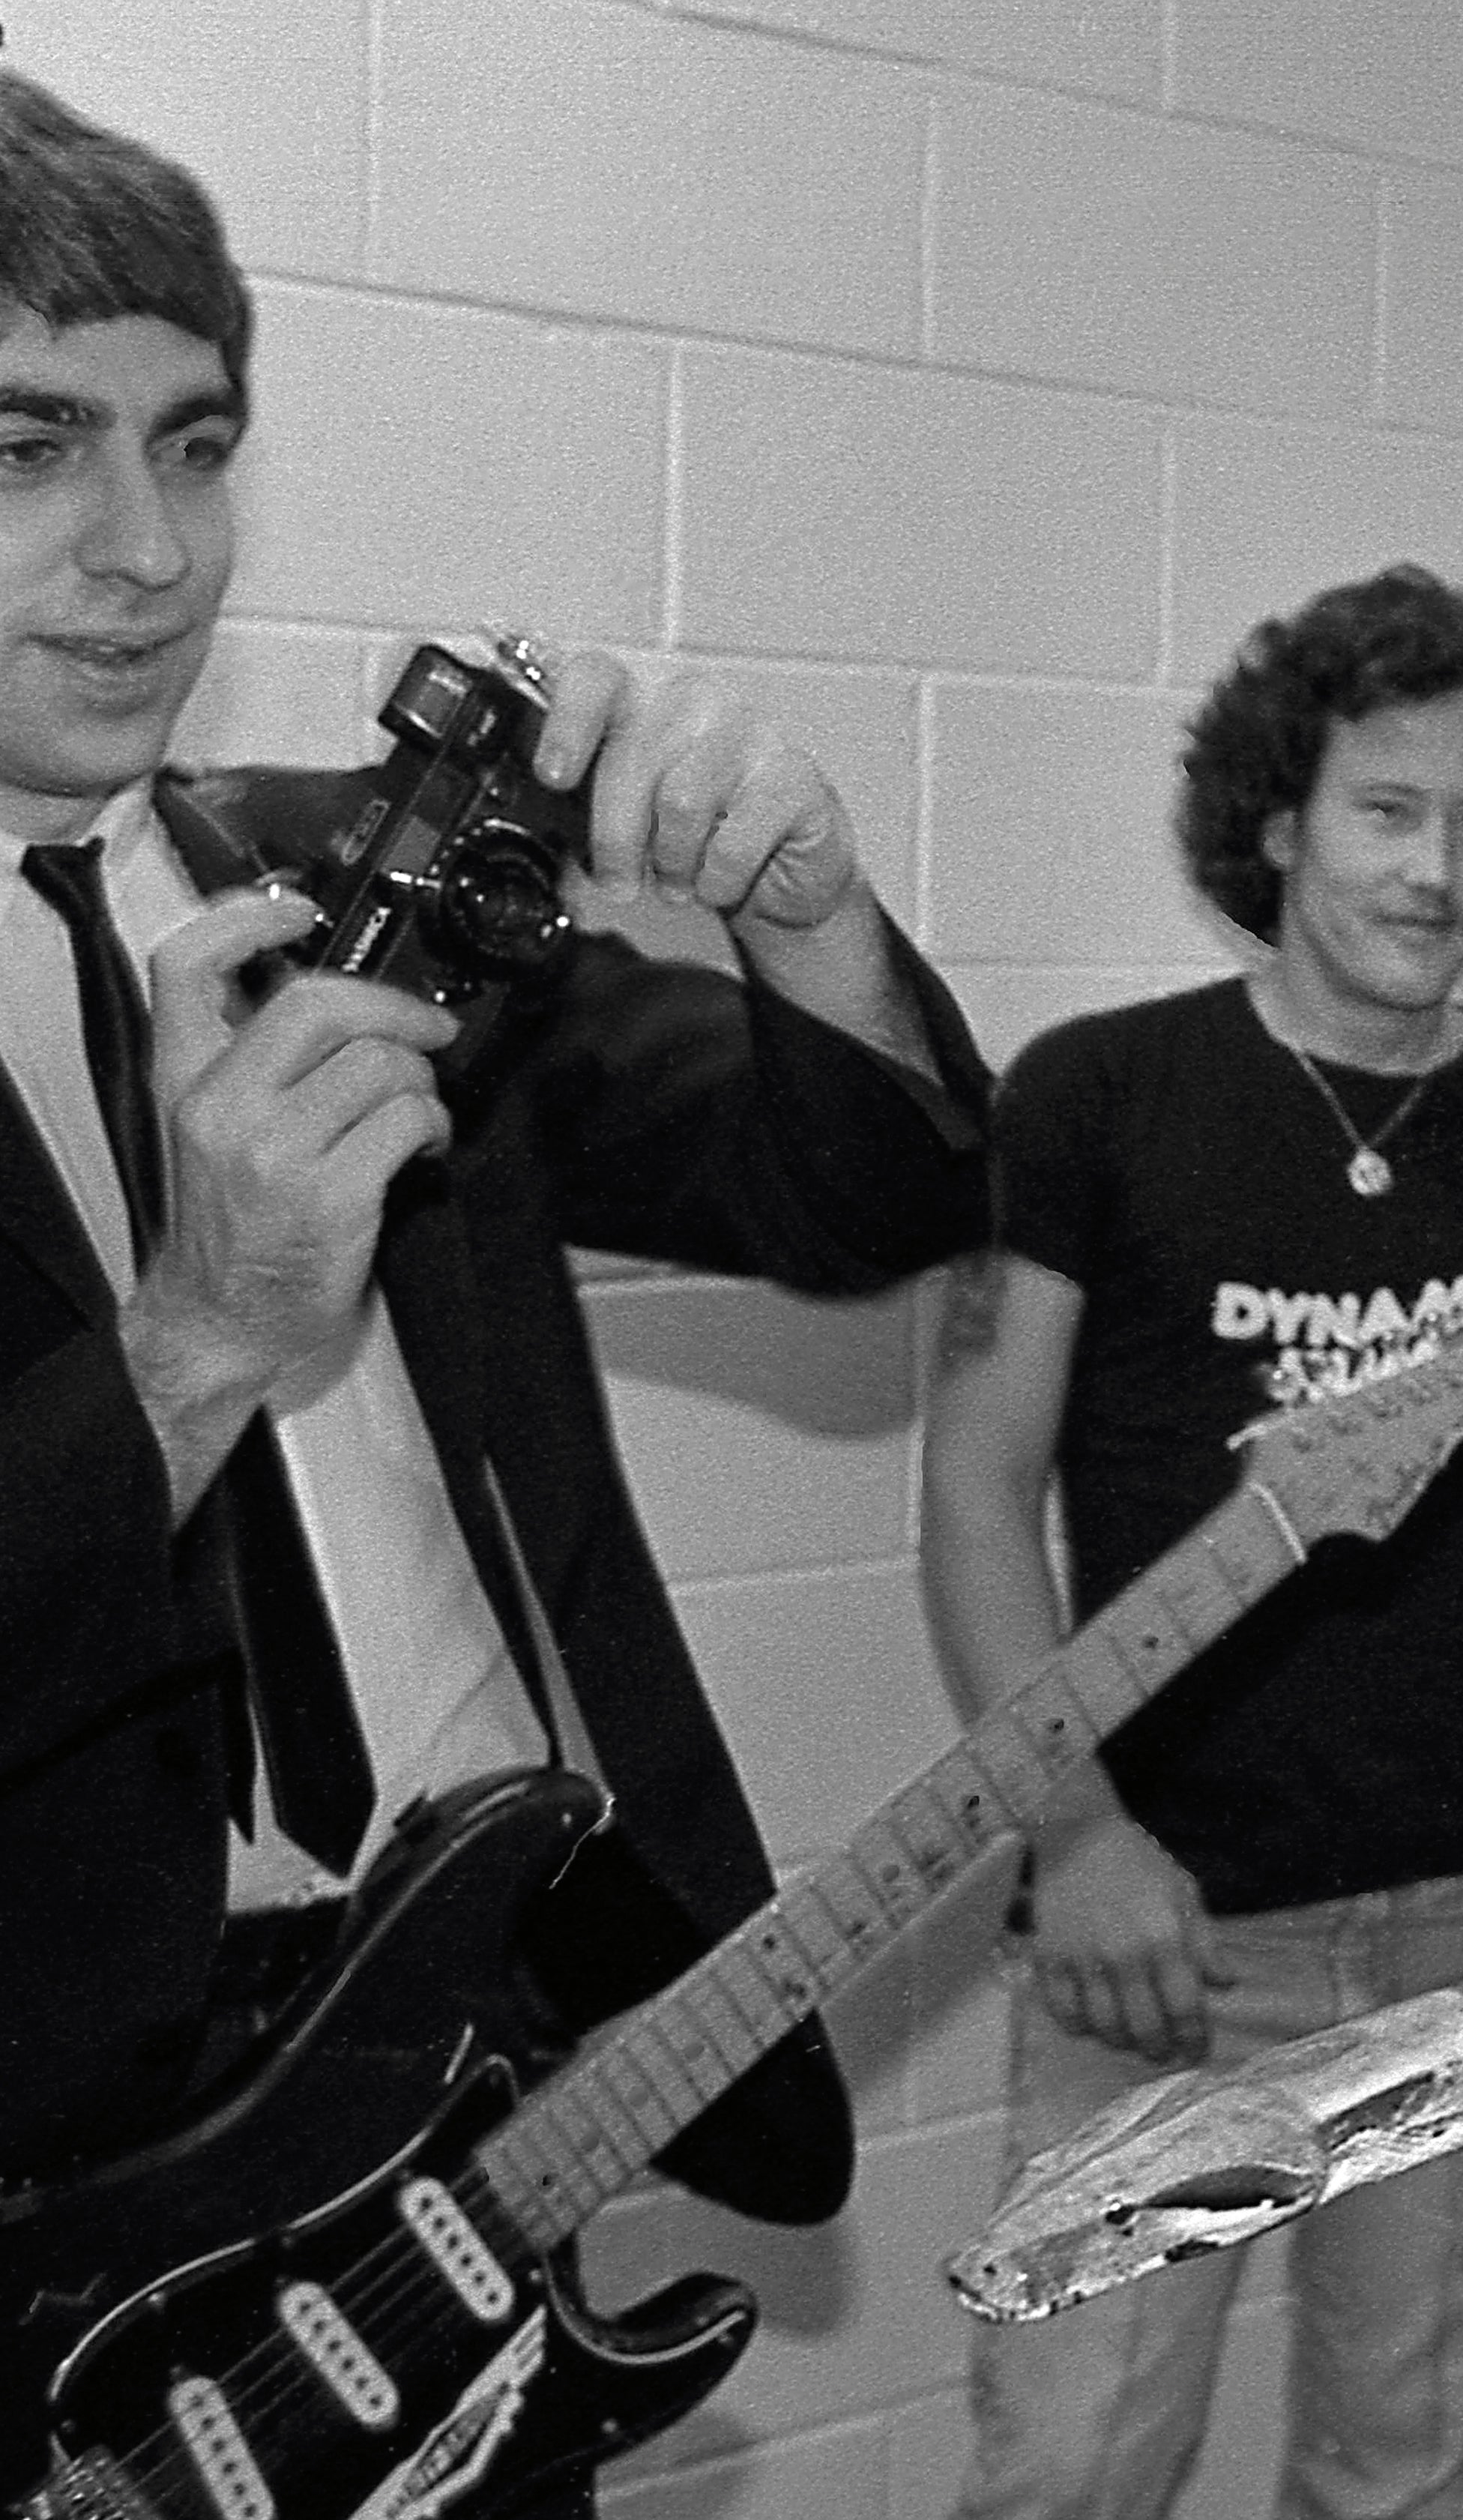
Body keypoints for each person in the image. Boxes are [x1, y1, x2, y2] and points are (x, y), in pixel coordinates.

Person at [0, 52, 990, 2406]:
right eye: (28, 450)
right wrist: (195, 1342)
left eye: (197, 444)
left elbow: (876, 1194)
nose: (150, 550)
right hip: (56, 2202)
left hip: (492, 2084)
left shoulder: (344, 882)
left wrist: (805, 906)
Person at [926, 562, 1463, 2520]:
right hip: (1155, 1934)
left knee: (1391, 2474)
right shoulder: (1093, 1096)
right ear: (1277, 820)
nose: (1433, 870)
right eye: (1385, 809)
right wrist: (1075, 1838)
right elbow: (977, 1493)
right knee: (1069, 2476)